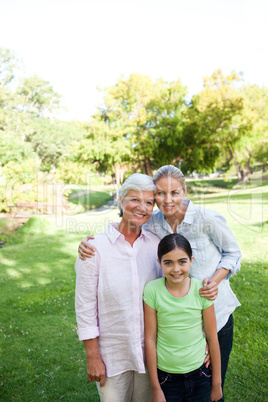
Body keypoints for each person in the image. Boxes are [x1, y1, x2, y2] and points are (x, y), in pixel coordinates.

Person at [78, 165, 241, 401]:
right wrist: (87, 244)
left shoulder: (206, 218)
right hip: (179, 324)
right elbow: (125, 227)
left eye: (174, 192)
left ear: (185, 191)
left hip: (215, 316)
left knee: (210, 393)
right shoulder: (153, 224)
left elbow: (233, 253)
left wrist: (213, 282)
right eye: (160, 194)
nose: (167, 200)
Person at [75, 173, 162, 402]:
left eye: (149, 202)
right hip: (112, 355)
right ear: (121, 200)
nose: (141, 207)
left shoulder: (156, 247)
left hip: (149, 355)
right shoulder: (94, 248)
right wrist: (92, 355)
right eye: (135, 199)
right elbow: (85, 307)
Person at [143, 233, 222, 402]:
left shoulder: (201, 289)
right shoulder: (152, 290)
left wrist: (216, 384)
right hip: (166, 378)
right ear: (160, 263)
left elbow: (212, 337)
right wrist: (156, 388)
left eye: (182, 261)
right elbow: (149, 339)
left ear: (191, 260)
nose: (176, 269)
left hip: (200, 374)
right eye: (168, 263)